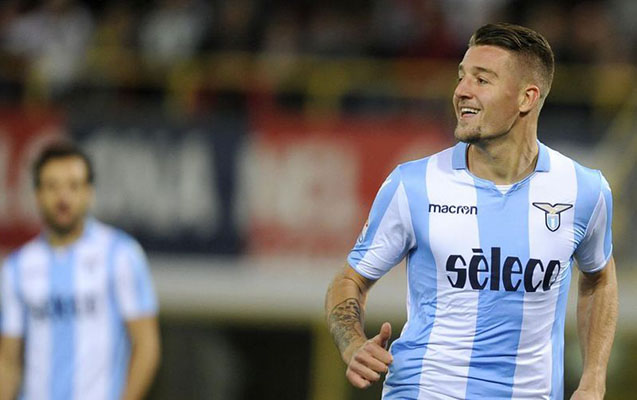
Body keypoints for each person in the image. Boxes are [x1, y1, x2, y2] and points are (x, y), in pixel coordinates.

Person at [325, 23, 617, 400]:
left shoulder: (584, 190)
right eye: (461, 76)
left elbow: (599, 278)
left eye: (482, 80)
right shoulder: (413, 184)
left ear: (526, 98)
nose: (462, 90)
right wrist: (352, 343)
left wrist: (594, 379)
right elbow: (349, 280)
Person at [0, 142, 161, 400]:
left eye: (73, 186)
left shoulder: (120, 255)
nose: (63, 198)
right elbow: (8, 360)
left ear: (89, 193)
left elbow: (146, 345)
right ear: (37, 194)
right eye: (52, 187)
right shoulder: (17, 267)